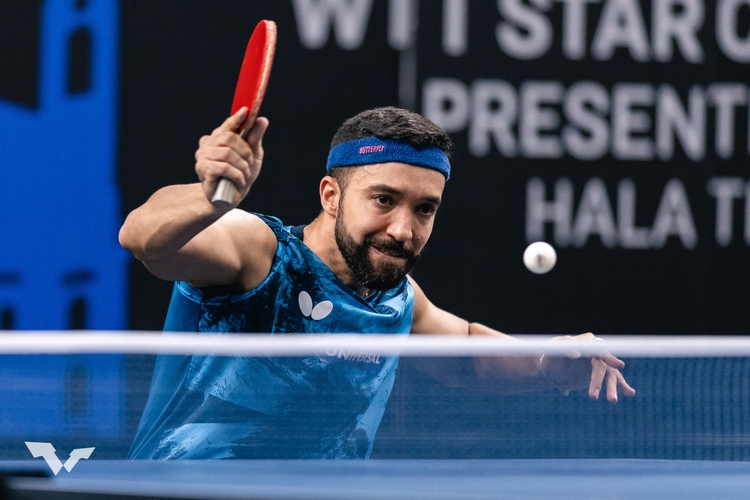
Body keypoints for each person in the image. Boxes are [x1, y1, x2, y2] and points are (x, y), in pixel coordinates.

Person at [120, 106, 635, 460]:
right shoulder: (260, 253)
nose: (403, 230)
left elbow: (469, 354)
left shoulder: (397, 302)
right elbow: (145, 239)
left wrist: (548, 361)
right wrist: (209, 197)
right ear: (330, 195)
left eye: (425, 209)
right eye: (383, 199)